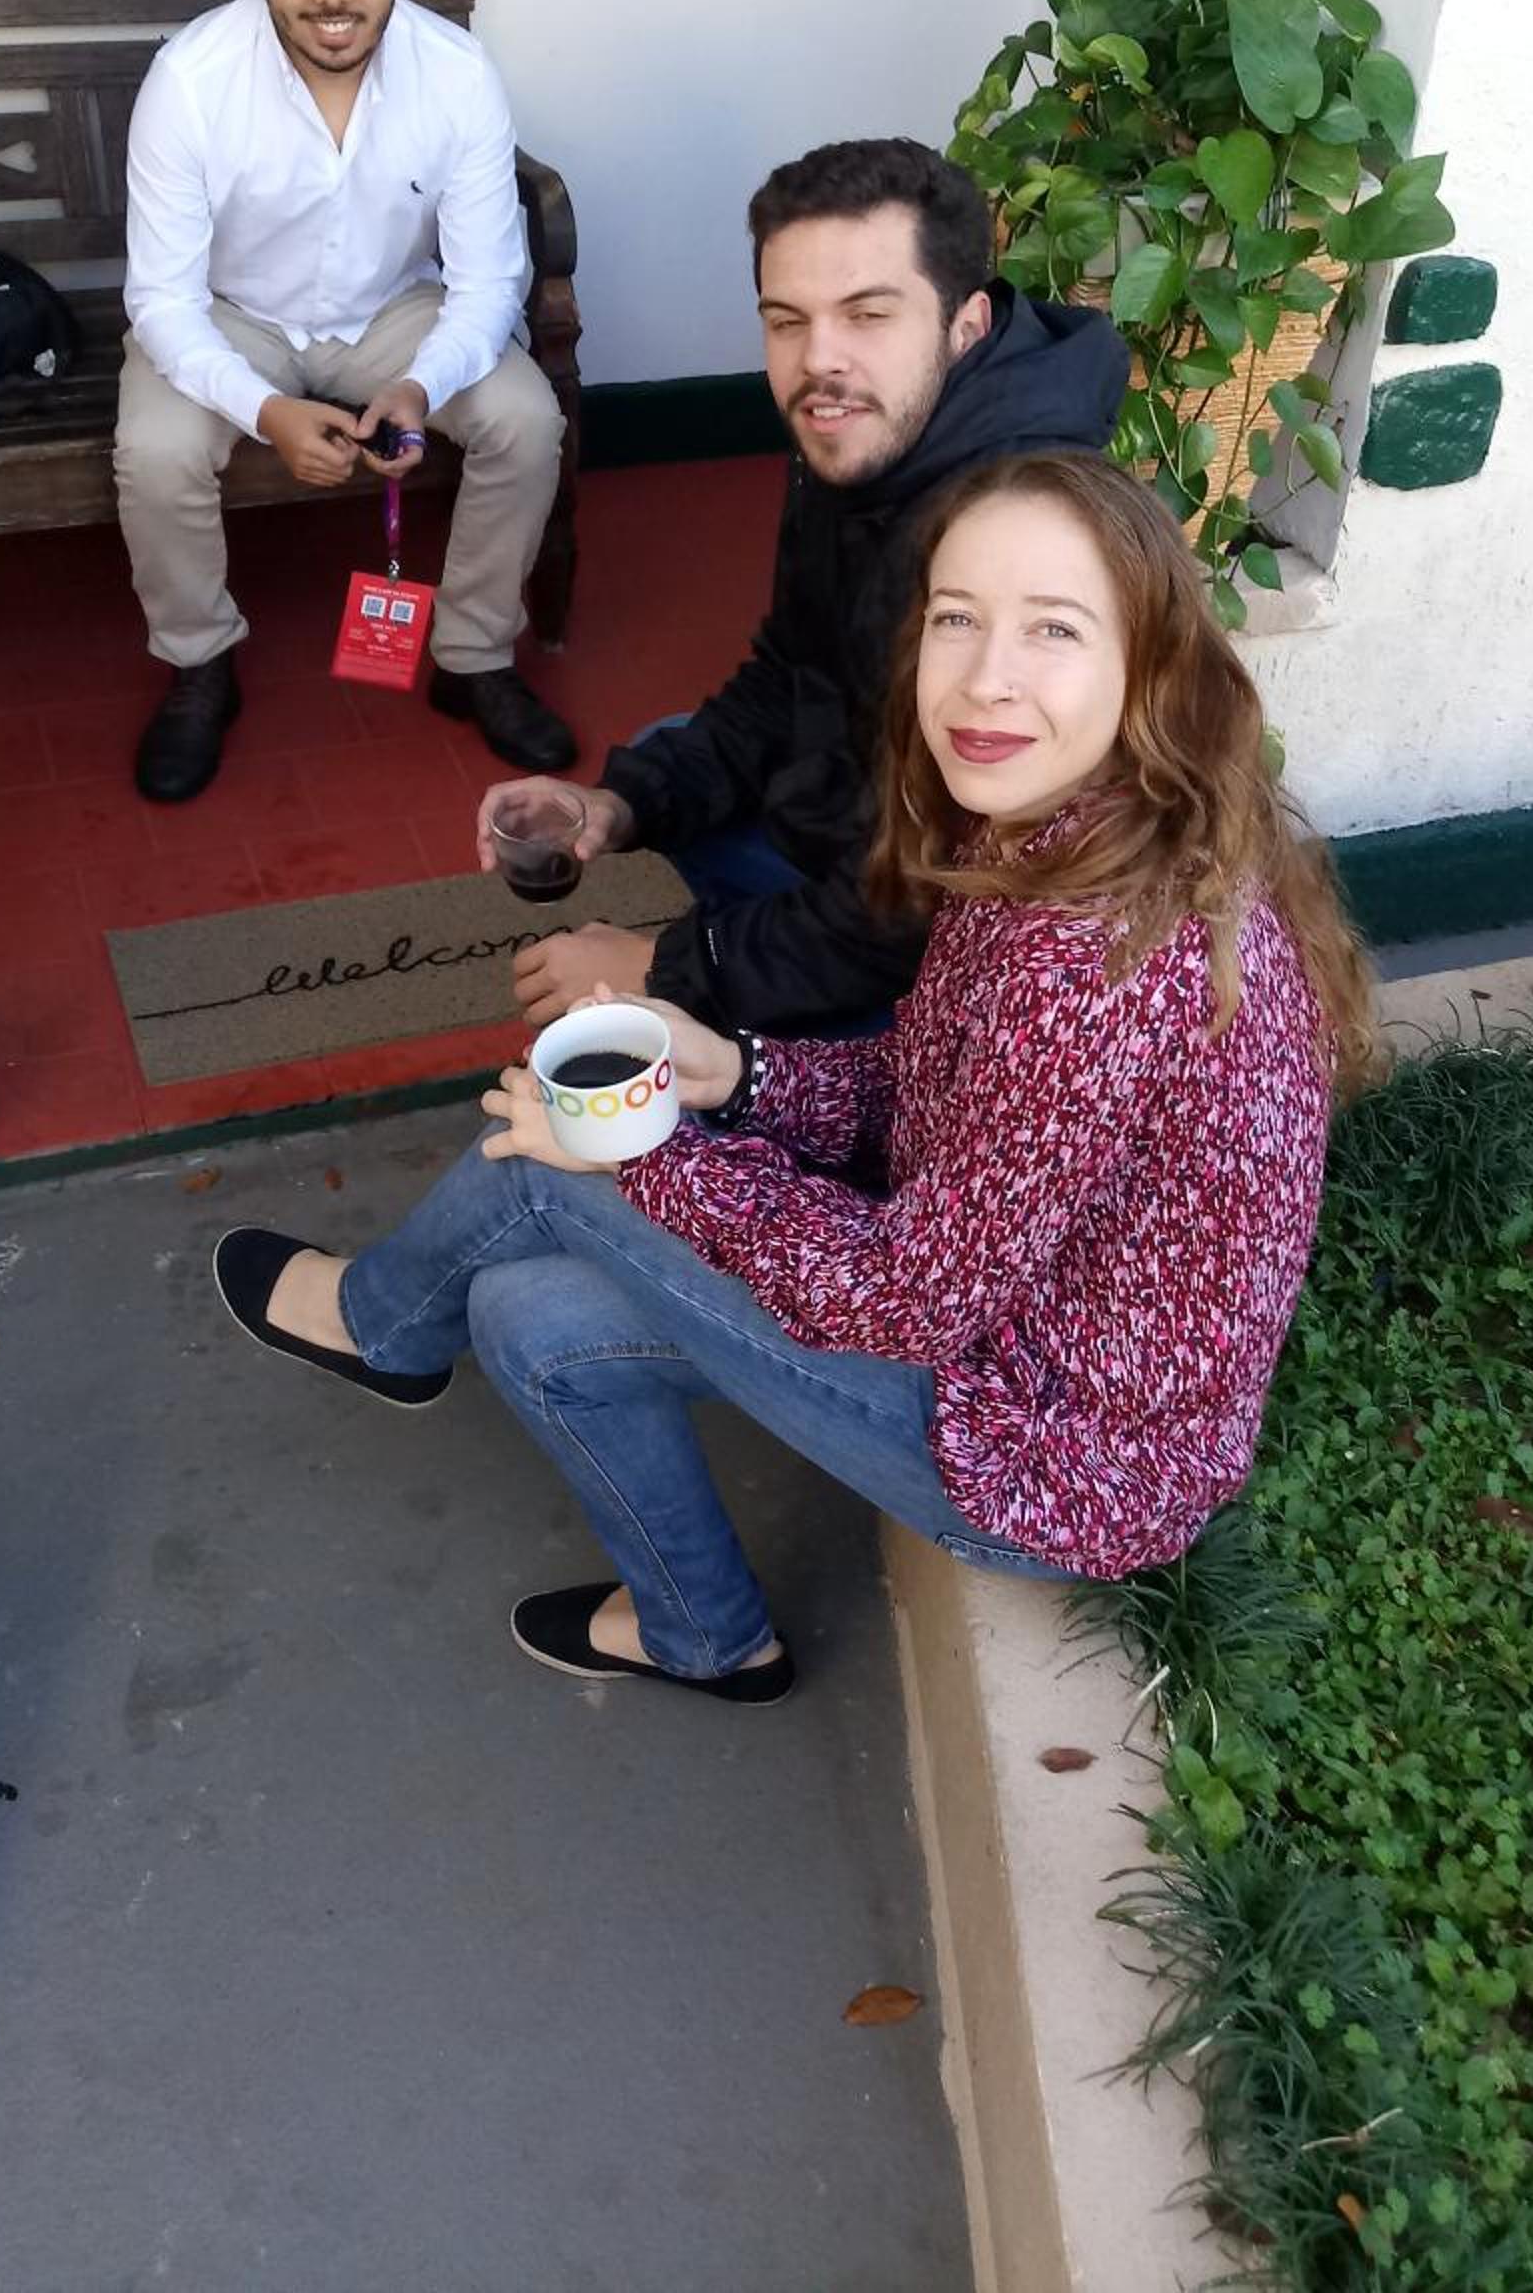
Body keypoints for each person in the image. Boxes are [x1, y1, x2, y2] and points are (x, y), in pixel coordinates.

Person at [213, 451, 1378, 1702]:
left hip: (1052, 1455)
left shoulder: (1090, 956)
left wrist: (650, 1151)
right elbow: (934, 1086)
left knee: (559, 1172)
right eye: (956, 618)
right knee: (526, 1320)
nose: (985, 676)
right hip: (1021, 1342)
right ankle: (701, 1633)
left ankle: (383, 1326)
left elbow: (907, 1299)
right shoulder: (1079, 828)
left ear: (1149, 667)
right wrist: (736, 1074)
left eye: (1054, 628)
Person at [475, 136, 1129, 1035]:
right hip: (857, 822)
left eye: (868, 315)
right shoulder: (867, 429)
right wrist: (614, 805)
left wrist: (664, 967)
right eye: (787, 321)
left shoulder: (1014, 538)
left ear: (967, 325)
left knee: (631, 1089)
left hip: (952, 961)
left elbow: (927, 902)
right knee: (660, 760)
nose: (820, 361)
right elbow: (790, 668)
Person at [116, 0, 573, 803]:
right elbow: (161, 300)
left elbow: (489, 282)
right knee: (156, 449)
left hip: (392, 314)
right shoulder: (191, 80)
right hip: (234, 316)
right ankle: (199, 662)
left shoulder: (456, 73)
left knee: (525, 417)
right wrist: (265, 411)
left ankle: (473, 657)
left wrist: (421, 385)